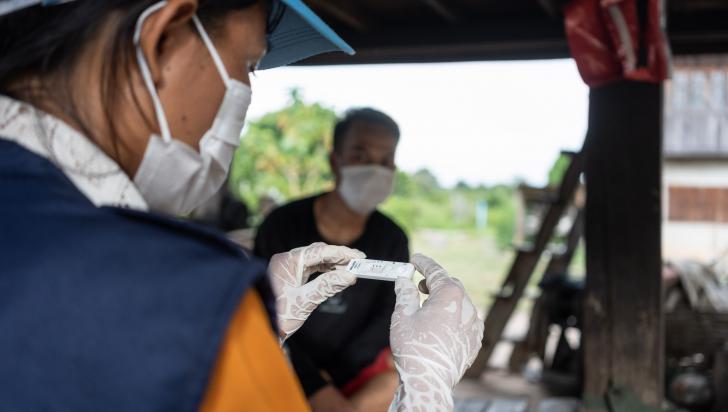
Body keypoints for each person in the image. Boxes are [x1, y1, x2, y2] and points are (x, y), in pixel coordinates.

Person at [0, 1, 484, 411]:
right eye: (248, 64)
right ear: (162, 37)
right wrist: (427, 388)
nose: (245, 94)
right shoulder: (188, 297)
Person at [254, 108, 407, 412]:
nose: (374, 169)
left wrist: (333, 382)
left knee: (395, 386)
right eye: (360, 155)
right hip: (284, 361)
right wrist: (314, 384)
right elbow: (262, 311)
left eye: (385, 160)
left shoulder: (392, 238)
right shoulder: (282, 225)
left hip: (352, 375)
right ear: (335, 160)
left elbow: (386, 318)